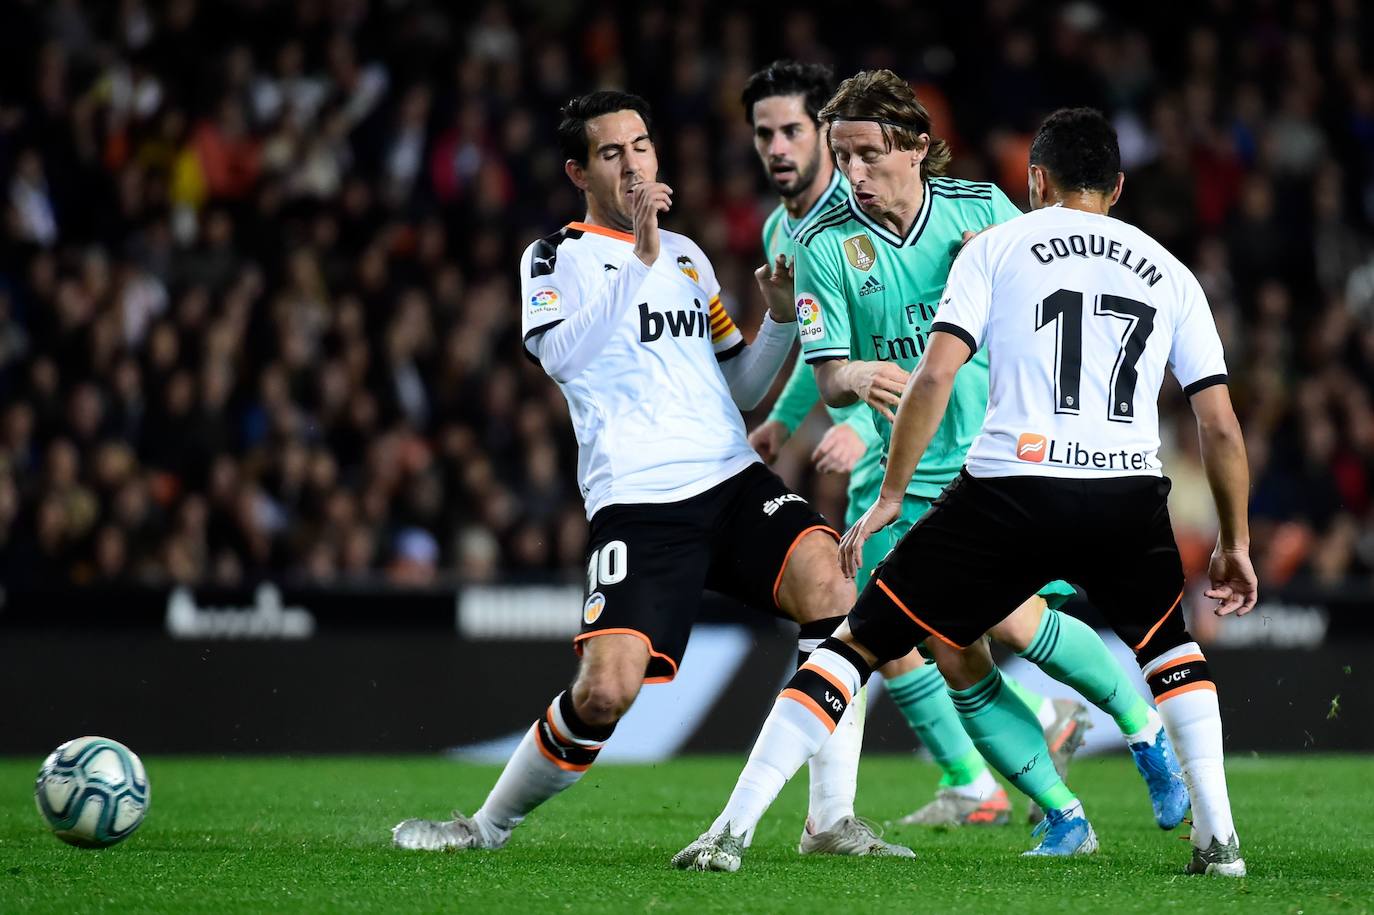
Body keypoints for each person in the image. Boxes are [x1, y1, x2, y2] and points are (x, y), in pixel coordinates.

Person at [673, 81, 1196, 872]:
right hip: (906, 469)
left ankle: (1145, 729)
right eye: (841, 154)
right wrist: (855, 378)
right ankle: (1060, 811)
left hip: (995, 458)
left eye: (869, 154)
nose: (852, 170)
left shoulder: (981, 210)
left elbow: (1054, 295)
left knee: (1015, 621)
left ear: (917, 145)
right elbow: (830, 365)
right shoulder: (821, 243)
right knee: (952, 651)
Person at [392, 90, 911, 858]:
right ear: (579, 170)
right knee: (605, 691)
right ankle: (485, 826)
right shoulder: (555, 256)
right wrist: (635, 259)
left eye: (641, 145)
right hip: (638, 502)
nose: (633, 162)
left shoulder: (690, 258)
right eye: (611, 152)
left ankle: (829, 821)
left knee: (834, 586)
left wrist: (775, 319)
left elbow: (737, 387)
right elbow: (561, 356)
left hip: (730, 479)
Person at [741, 59, 1094, 828]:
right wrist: (791, 418)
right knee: (908, 617)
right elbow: (828, 350)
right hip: (885, 445)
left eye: (792, 129)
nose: (779, 146)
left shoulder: (882, 201)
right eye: (764, 132)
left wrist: (854, 425)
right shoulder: (784, 233)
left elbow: (915, 345)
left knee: (915, 613)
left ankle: (1009, 755)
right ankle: (1004, 753)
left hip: (944, 442)